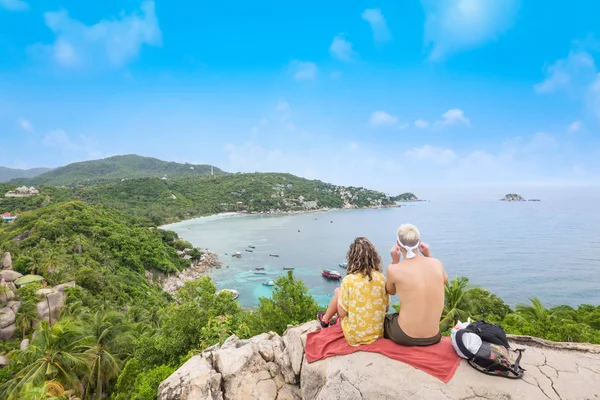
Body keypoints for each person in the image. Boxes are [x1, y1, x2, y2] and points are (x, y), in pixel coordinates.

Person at [317, 237, 390, 346]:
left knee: (338, 292)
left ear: (352, 258)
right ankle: (325, 320)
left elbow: (342, 313)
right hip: (376, 334)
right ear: (374, 256)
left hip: (354, 337)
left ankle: (325, 321)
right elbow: (387, 308)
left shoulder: (349, 280)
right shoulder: (381, 278)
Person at [384, 223, 448, 346]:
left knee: (387, 319)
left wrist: (395, 261)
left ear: (397, 243)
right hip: (434, 336)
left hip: (405, 336)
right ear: (419, 242)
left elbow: (390, 291)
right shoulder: (437, 263)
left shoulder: (394, 269)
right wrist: (428, 255)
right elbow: (444, 279)